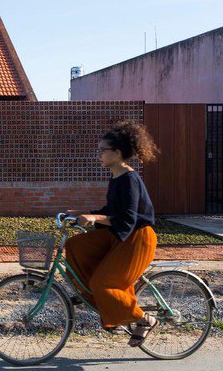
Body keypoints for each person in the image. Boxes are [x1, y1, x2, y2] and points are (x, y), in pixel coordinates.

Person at [65, 120, 159, 347]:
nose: (99, 155)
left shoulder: (129, 180)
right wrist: (82, 215)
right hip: (123, 236)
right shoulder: (117, 177)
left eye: (102, 151)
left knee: (103, 283)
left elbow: (127, 220)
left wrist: (95, 218)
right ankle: (103, 303)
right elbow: (112, 212)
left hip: (137, 239)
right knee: (75, 246)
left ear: (117, 153)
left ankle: (144, 319)